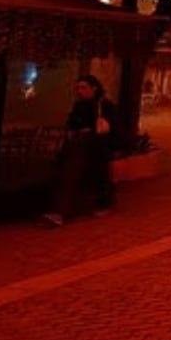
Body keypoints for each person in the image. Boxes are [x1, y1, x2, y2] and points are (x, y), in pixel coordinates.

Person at [42, 74, 118, 227]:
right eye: (78, 88)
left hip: (95, 147)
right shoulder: (79, 105)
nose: (80, 91)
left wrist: (90, 131)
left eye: (83, 88)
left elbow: (113, 128)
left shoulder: (104, 105)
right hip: (77, 146)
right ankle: (59, 210)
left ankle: (61, 211)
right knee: (65, 171)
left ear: (94, 88)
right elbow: (71, 124)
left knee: (73, 171)